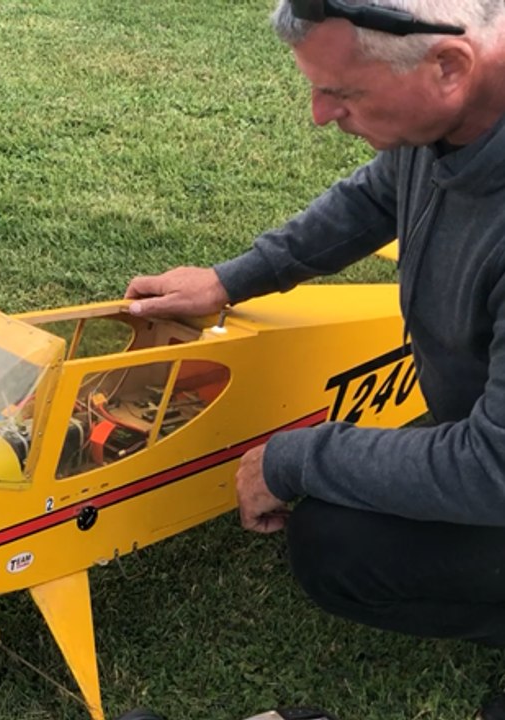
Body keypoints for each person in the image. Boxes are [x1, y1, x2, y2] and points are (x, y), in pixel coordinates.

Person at [125, 0, 505, 715]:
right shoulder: (454, 116)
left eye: (343, 93)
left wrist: (295, 458)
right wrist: (230, 278)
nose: (318, 114)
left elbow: (494, 468)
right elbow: (378, 195)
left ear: (449, 66)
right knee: (336, 542)